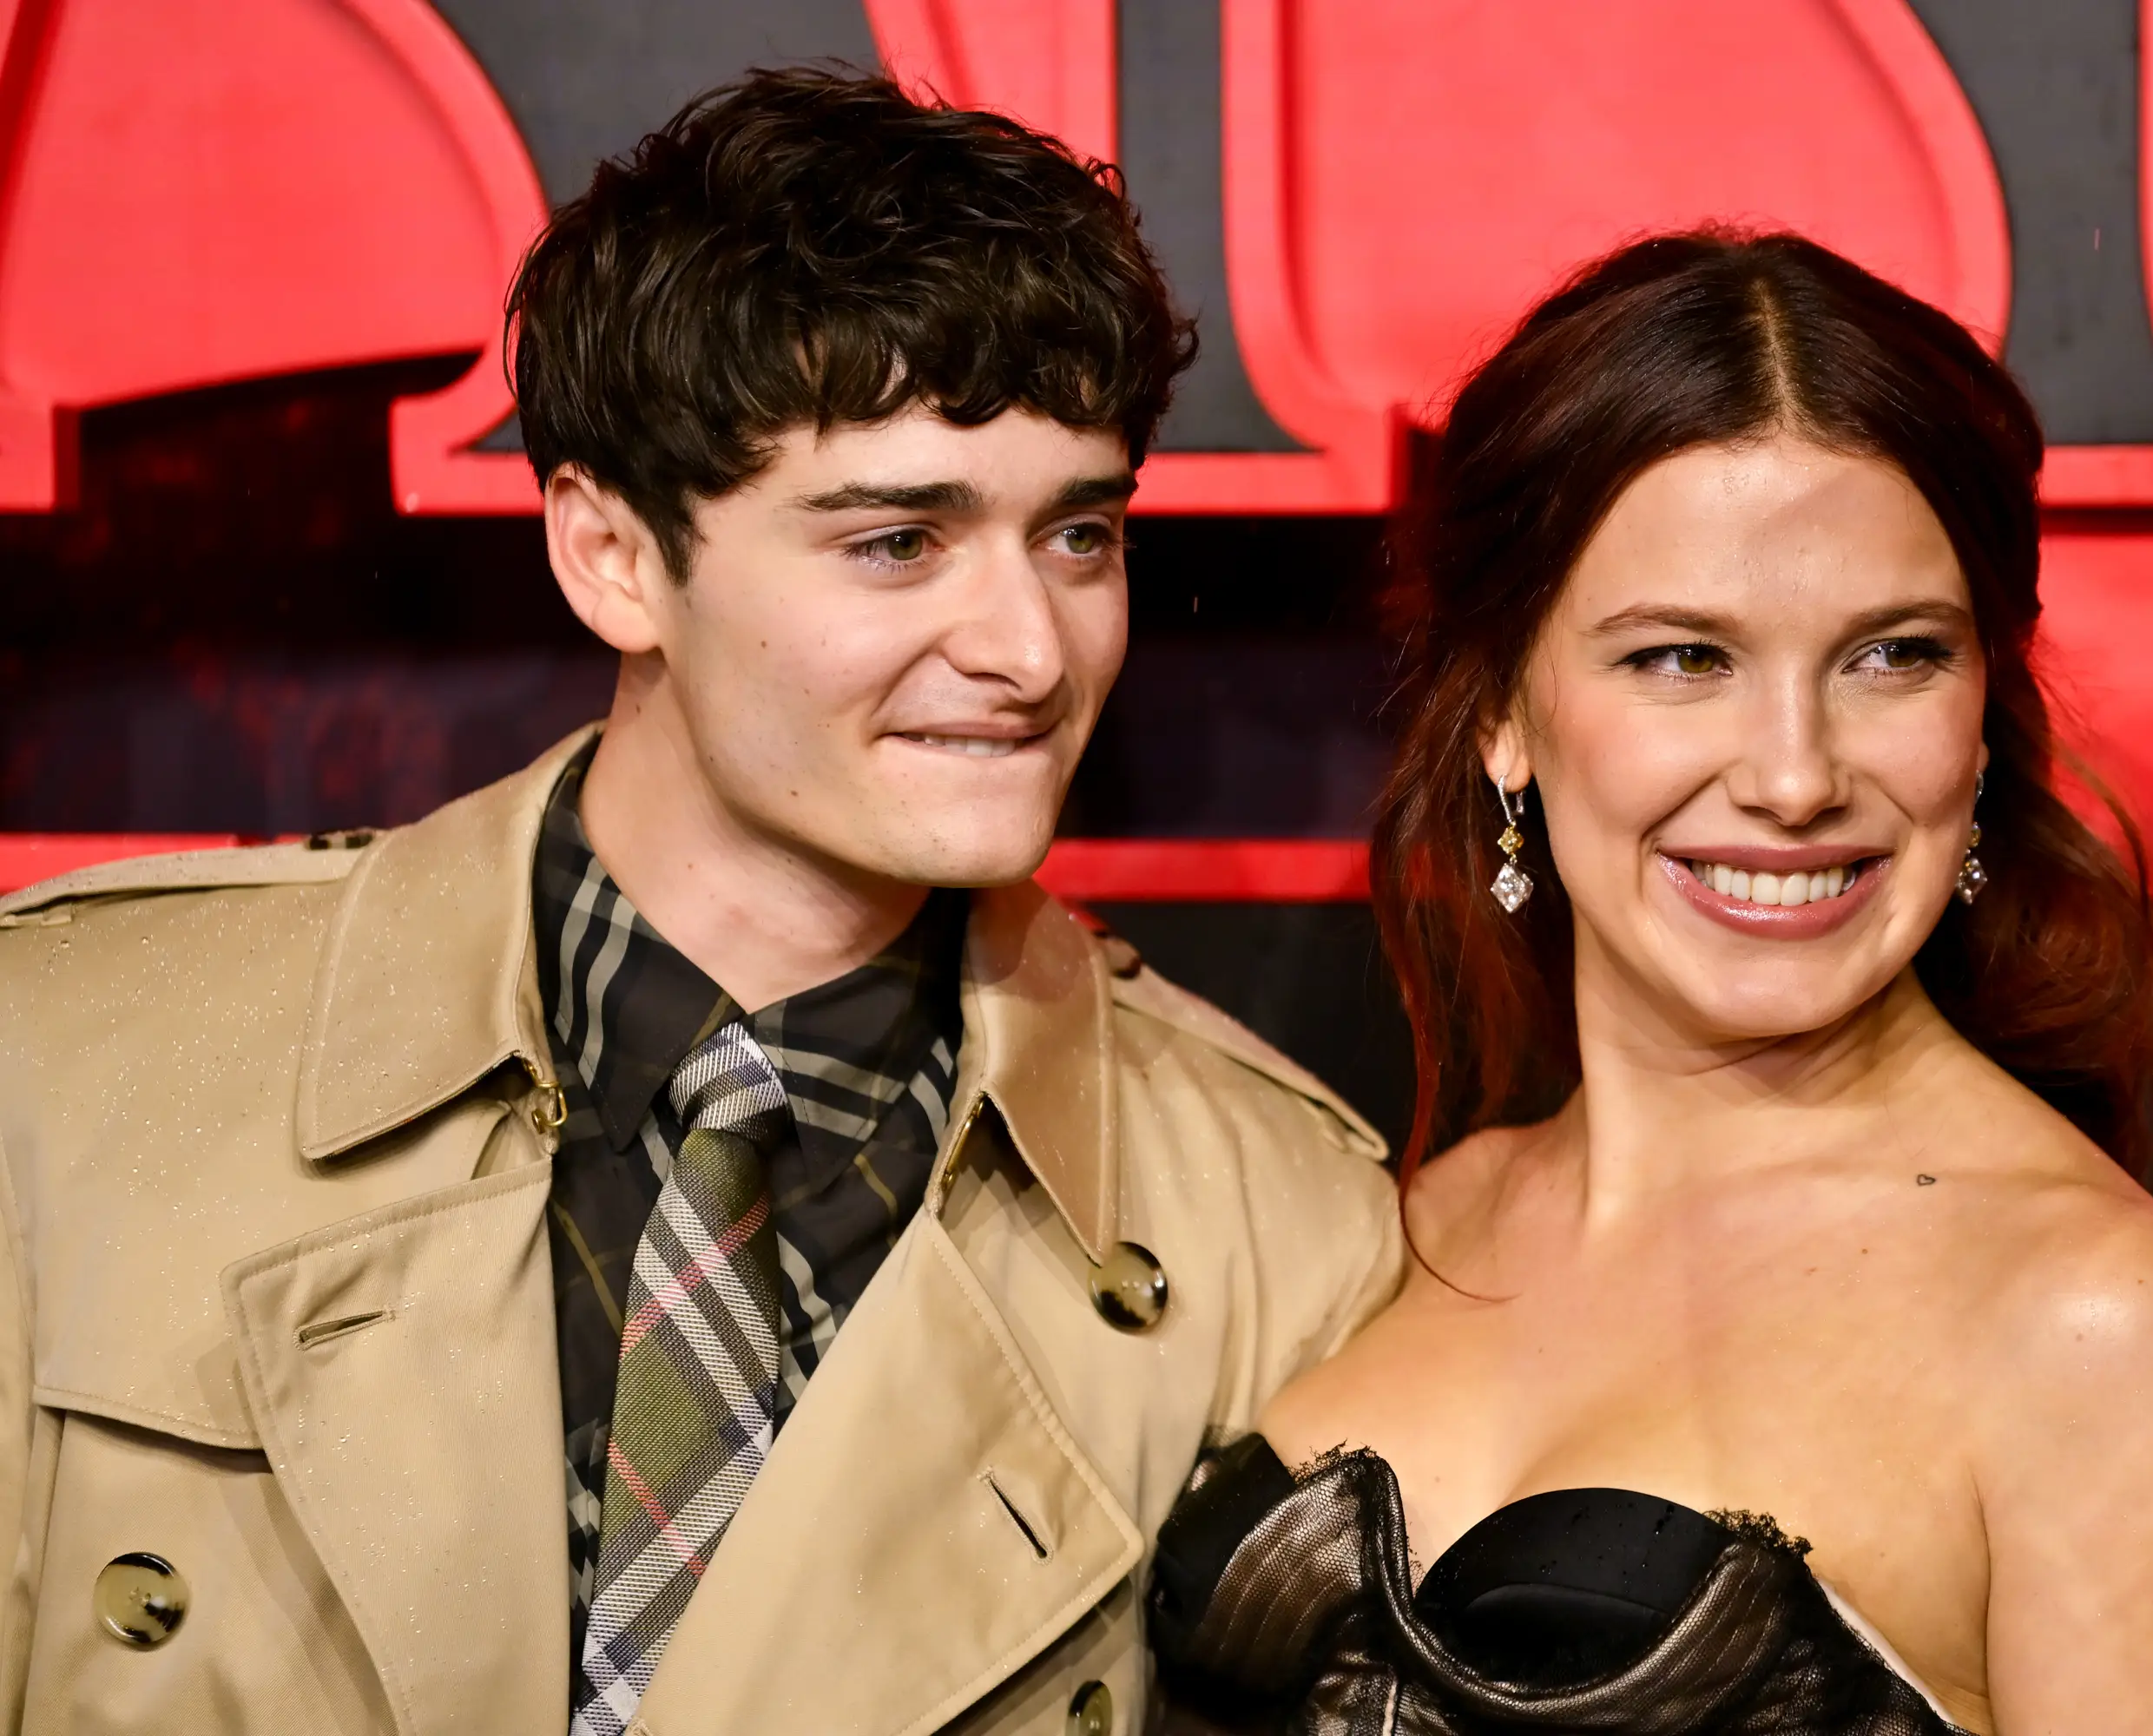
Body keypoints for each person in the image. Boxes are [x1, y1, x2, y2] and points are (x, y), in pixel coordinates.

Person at [0, 70, 1399, 1736]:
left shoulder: (1282, 1227)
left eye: (1079, 536)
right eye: (897, 541)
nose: (1031, 650)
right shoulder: (65, 1068)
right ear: (609, 556)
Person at [1145, 232, 2153, 1734]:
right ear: (1505, 708)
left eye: (1892, 656)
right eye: (1682, 659)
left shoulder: (2090, 1321)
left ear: (1984, 715)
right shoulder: (1417, 1220)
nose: (1793, 776)